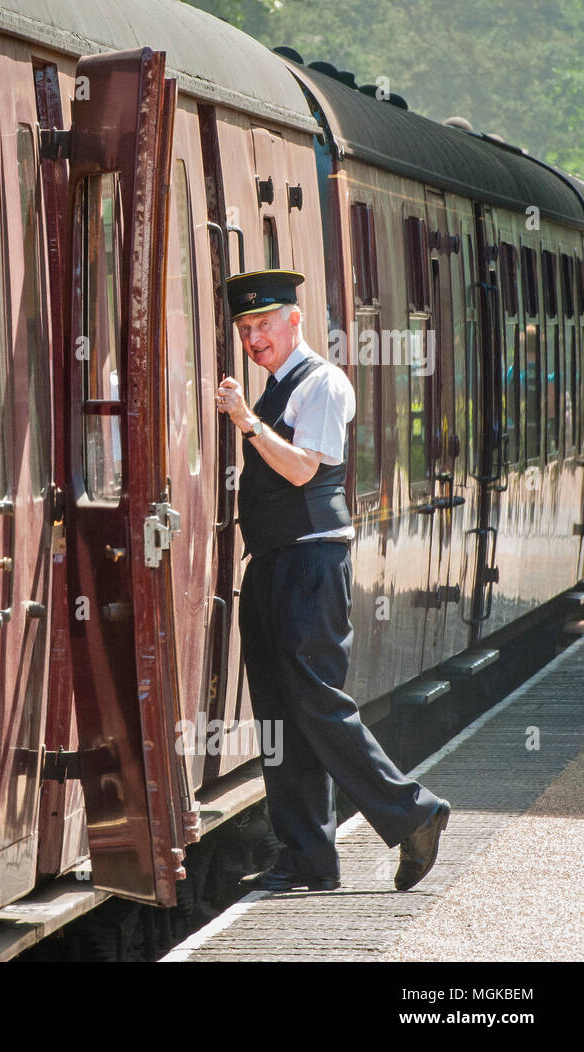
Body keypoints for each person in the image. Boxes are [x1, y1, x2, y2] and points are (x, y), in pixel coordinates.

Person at [214, 268, 449, 893]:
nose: (254, 337)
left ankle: (415, 812)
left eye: (264, 324)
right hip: (274, 563)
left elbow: (299, 471)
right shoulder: (278, 386)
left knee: (317, 702)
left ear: (296, 320)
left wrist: (244, 419)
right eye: (245, 328)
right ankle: (308, 858)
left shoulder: (321, 384)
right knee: (279, 711)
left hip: (311, 565)